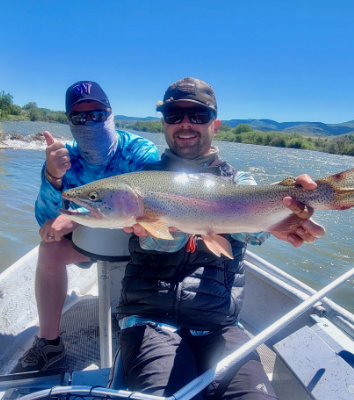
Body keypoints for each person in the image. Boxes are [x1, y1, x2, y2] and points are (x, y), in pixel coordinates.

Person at [116, 77, 326, 399]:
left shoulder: (240, 182)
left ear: (215, 124)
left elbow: (255, 235)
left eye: (198, 116)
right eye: (175, 115)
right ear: (164, 123)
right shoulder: (145, 179)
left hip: (220, 326)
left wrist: (286, 218)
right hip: (150, 319)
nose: (186, 124)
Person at [13, 81, 159, 372]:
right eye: (79, 117)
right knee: (49, 249)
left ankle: (149, 328)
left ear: (110, 114)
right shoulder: (61, 157)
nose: (89, 122)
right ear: (70, 121)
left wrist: (76, 216)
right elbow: (46, 224)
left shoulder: (141, 152)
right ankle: (49, 343)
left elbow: (155, 211)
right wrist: (54, 178)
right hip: (84, 246)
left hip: (139, 247)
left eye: (97, 114)